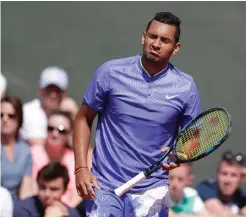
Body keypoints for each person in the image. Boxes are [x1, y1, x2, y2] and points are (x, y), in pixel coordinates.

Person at [73, 12, 201, 217]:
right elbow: (83, 118)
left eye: (165, 40)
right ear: (143, 37)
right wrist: (81, 169)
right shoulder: (110, 73)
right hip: (104, 185)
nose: (156, 44)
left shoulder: (186, 88)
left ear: (176, 48)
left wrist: (179, 154)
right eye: (153, 36)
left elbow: (192, 138)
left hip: (152, 189)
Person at [31, 110, 81, 207]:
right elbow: (31, 189)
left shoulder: (74, 159)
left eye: (61, 130)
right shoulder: (34, 153)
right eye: (50, 128)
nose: (54, 134)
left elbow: (77, 195)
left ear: (69, 134)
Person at [20, 66, 69, 146]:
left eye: (58, 90)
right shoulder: (27, 112)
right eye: (49, 89)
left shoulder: (69, 114)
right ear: (40, 90)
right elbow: (37, 145)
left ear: (65, 93)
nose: (53, 95)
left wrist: (75, 116)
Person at [13, 162, 80, 217]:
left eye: (54, 189)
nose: (47, 194)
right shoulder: (22, 209)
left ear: (64, 190)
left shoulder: (71, 213)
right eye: (42, 188)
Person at [1, 95, 33, 202]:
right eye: (1, 115)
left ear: (19, 120)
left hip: (15, 206)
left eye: (11, 116)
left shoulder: (25, 150)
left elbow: (26, 190)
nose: (5, 119)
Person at [196, 150, 246, 216]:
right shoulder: (206, 188)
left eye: (234, 175)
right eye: (224, 174)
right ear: (217, 173)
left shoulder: (242, 197)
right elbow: (222, 214)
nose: (227, 181)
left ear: (242, 177)